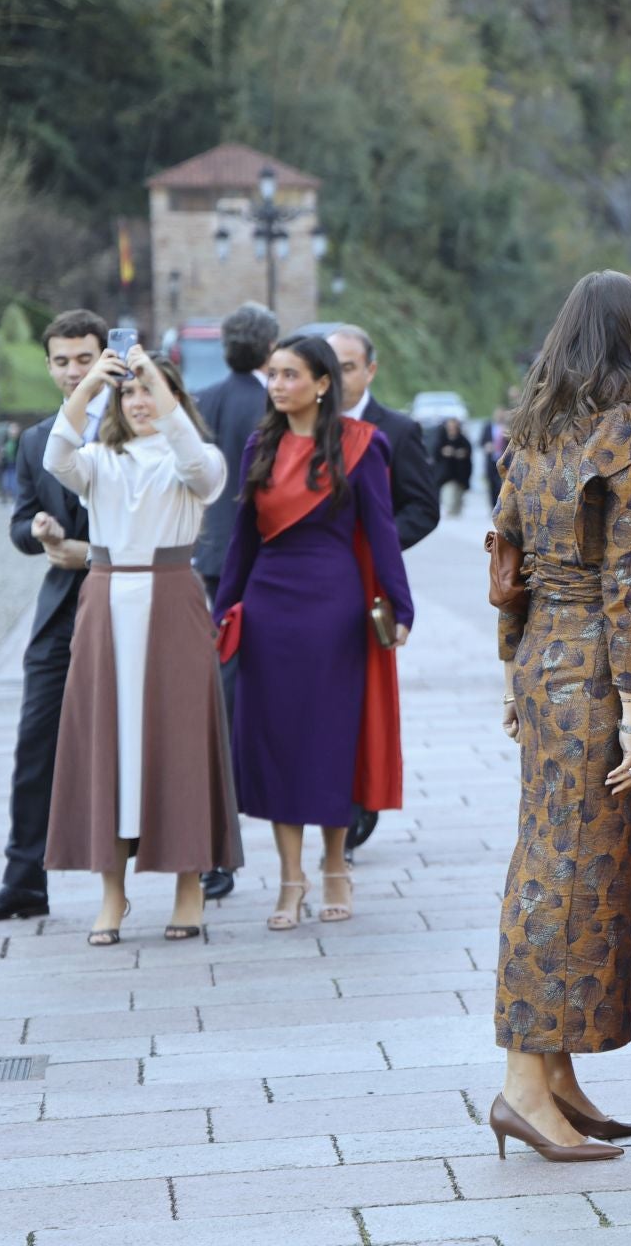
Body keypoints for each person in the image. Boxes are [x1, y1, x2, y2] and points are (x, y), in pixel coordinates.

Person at [488, 270, 631, 1163]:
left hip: (540, 660)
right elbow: (629, 581)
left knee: (561, 861)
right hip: (595, 671)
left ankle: (556, 1075)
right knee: (566, 872)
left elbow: (506, 556)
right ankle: (523, 1088)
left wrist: (509, 667)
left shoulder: (532, 432)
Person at [209, 334, 414, 929]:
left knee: (329, 742)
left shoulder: (363, 446)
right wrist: (226, 608)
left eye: (290, 375)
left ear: (323, 383)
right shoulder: (259, 446)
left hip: (335, 611)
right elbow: (243, 537)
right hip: (270, 610)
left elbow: (381, 532)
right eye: (272, 374)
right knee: (276, 744)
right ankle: (289, 878)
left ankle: (333, 867)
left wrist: (400, 608)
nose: (276, 385)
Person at [42, 344, 241, 943]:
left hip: (172, 597)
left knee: (177, 739)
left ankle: (188, 886)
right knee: (107, 738)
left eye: (149, 390)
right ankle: (111, 894)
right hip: (106, 599)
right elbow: (56, 457)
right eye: (128, 392)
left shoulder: (194, 458)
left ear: (172, 397)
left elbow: (202, 473)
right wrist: (86, 389)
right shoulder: (99, 460)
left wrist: (157, 379)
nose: (139, 402)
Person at [0, 310, 110, 924]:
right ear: (48, 365)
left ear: (106, 357)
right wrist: (38, 530)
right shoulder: (37, 437)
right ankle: (24, 882)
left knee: (154, 737)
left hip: (130, 603)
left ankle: (201, 864)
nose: (73, 371)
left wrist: (92, 552)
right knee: (35, 747)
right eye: (62, 361)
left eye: (84, 358)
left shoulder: (139, 424)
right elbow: (20, 523)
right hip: (60, 613)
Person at [326, 324, 441, 854]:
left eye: (348, 365)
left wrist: (378, 546)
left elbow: (424, 506)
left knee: (364, 697)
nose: (337, 375)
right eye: (330, 364)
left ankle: (359, 804)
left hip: (368, 586)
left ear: (370, 370)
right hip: (312, 583)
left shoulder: (396, 427)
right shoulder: (304, 424)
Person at [191, 302, 279, 903]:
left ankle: (215, 851)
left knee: (217, 692)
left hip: (204, 556)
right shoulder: (275, 404)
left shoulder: (200, 400)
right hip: (261, 562)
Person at [435, 418, 473, 515]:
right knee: (449, 499)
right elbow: (435, 455)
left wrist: (461, 453)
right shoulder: (441, 440)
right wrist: (444, 452)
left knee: (457, 501)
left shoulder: (463, 441)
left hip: (460, 476)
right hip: (446, 476)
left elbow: (468, 455)